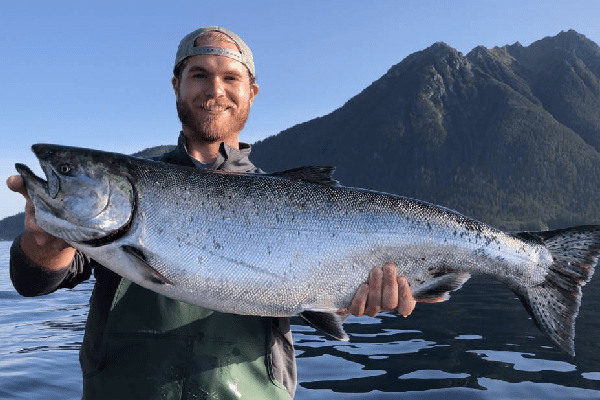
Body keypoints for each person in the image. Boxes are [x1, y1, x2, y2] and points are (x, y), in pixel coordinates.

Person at [8, 26, 423, 399]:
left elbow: (339, 289)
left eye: (230, 77)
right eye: (199, 75)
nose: (215, 90)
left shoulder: (288, 194)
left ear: (251, 92)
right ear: (177, 86)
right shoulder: (117, 208)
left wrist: (348, 292)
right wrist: (46, 240)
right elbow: (33, 282)